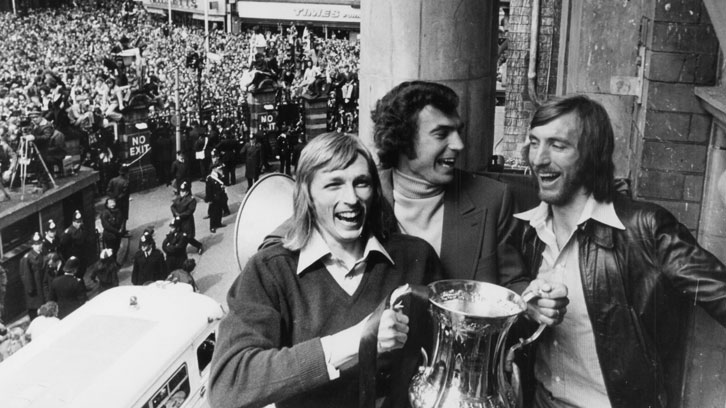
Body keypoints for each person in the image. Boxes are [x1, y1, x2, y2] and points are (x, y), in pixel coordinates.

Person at [514, 95, 726, 408]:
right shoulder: (525, 230)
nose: (539, 158)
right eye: (534, 142)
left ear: (591, 156)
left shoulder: (646, 228)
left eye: (557, 145)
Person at [209, 132, 444, 408]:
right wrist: (360, 340)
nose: (352, 198)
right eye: (333, 185)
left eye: (362, 183)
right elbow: (228, 384)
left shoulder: (416, 256)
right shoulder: (270, 271)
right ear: (307, 194)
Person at [371, 81, 527, 290]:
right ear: (401, 139)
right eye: (441, 134)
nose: (459, 145)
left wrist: (533, 299)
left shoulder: (493, 199)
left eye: (457, 132)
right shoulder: (364, 196)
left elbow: (514, 285)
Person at [171, 181, 203, 254]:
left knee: (188, 237)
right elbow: (172, 206)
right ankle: (181, 250)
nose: (182, 193)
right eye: (181, 191)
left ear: (187, 191)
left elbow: (189, 211)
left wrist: (180, 215)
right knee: (179, 235)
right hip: (178, 221)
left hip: (187, 222)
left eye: (184, 191)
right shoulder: (178, 197)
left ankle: (199, 245)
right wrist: (175, 213)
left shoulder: (191, 200)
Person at [20, 233, 45, 319]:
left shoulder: (42, 253)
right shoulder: (27, 258)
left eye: (40, 243)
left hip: (42, 286)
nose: (38, 246)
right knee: (35, 312)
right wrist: (30, 289)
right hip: (34, 290)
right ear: (32, 245)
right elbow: (26, 276)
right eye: (36, 244)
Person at [60, 210, 89, 281]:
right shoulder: (68, 232)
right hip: (74, 255)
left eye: (80, 221)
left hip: (82, 255)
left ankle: (82, 285)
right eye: (78, 222)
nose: (80, 223)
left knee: (82, 270)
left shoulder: (82, 228)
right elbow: (63, 246)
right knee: (76, 273)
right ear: (73, 222)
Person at [106, 163, 130, 234]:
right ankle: (122, 231)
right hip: (123, 203)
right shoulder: (126, 182)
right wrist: (118, 198)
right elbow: (125, 194)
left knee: (115, 216)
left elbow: (108, 191)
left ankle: (117, 230)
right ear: (126, 173)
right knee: (124, 217)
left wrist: (113, 198)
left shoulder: (112, 180)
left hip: (114, 202)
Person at [205, 166, 227, 233]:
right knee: (213, 213)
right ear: (214, 169)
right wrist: (209, 199)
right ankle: (212, 226)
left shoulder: (219, 175)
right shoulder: (210, 178)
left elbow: (223, 183)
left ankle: (218, 223)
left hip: (220, 196)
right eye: (218, 168)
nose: (219, 169)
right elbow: (208, 190)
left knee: (219, 211)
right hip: (214, 198)